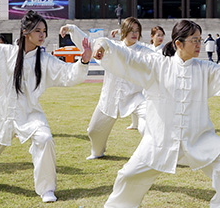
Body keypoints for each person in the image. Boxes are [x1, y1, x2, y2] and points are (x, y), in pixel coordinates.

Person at [93, 19, 220, 208]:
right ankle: (117, 205)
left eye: (200, 39)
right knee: (129, 174)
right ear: (178, 43)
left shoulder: (205, 68)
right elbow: (129, 58)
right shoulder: (157, 64)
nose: (199, 44)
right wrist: (103, 45)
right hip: (160, 138)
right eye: (194, 40)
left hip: (199, 137)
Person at [0, 12, 90, 202]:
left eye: (44, 31)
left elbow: (69, 74)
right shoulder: (3, 53)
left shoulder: (45, 60)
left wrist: (84, 61)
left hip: (29, 114)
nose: (42, 35)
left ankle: (47, 188)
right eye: (37, 30)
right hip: (2, 112)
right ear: (25, 32)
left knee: (45, 139)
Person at [61, 18, 154, 159]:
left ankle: (154, 154)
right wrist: (71, 29)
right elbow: (90, 43)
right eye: (131, 31)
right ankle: (97, 152)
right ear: (123, 32)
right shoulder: (110, 47)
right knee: (93, 131)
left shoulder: (144, 51)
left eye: (137, 31)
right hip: (109, 98)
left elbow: (158, 60)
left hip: (135, 97)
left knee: (149, 122)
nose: (134, 34)